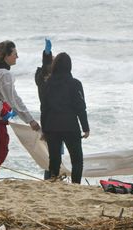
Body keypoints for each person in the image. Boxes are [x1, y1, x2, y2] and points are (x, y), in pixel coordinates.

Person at [0, 40, 41, 180]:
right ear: (6, 55)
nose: (17, 57)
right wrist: (30, 120)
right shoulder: (3, 74)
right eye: (15, 54)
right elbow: (14, 100)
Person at [41, 52, 89, 184]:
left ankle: (54, 181)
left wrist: (44, 129)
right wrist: (86, 128)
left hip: (52, 126)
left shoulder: (48, 84)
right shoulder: (75, 84)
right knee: (77, 160)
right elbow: (80, 107)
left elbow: (44, 108)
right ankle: (76, 185)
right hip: (70, 126)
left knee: (54, 159)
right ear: (69, 66)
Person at [35, 38, 54, 180]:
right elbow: (45, 67)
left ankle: (51, 176)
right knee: (53, 153)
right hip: (50, 119)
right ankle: (50, 177)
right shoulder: (44, 80)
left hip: (49, 119)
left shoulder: (47, 80)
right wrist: (47, 55)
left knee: (53, 152)